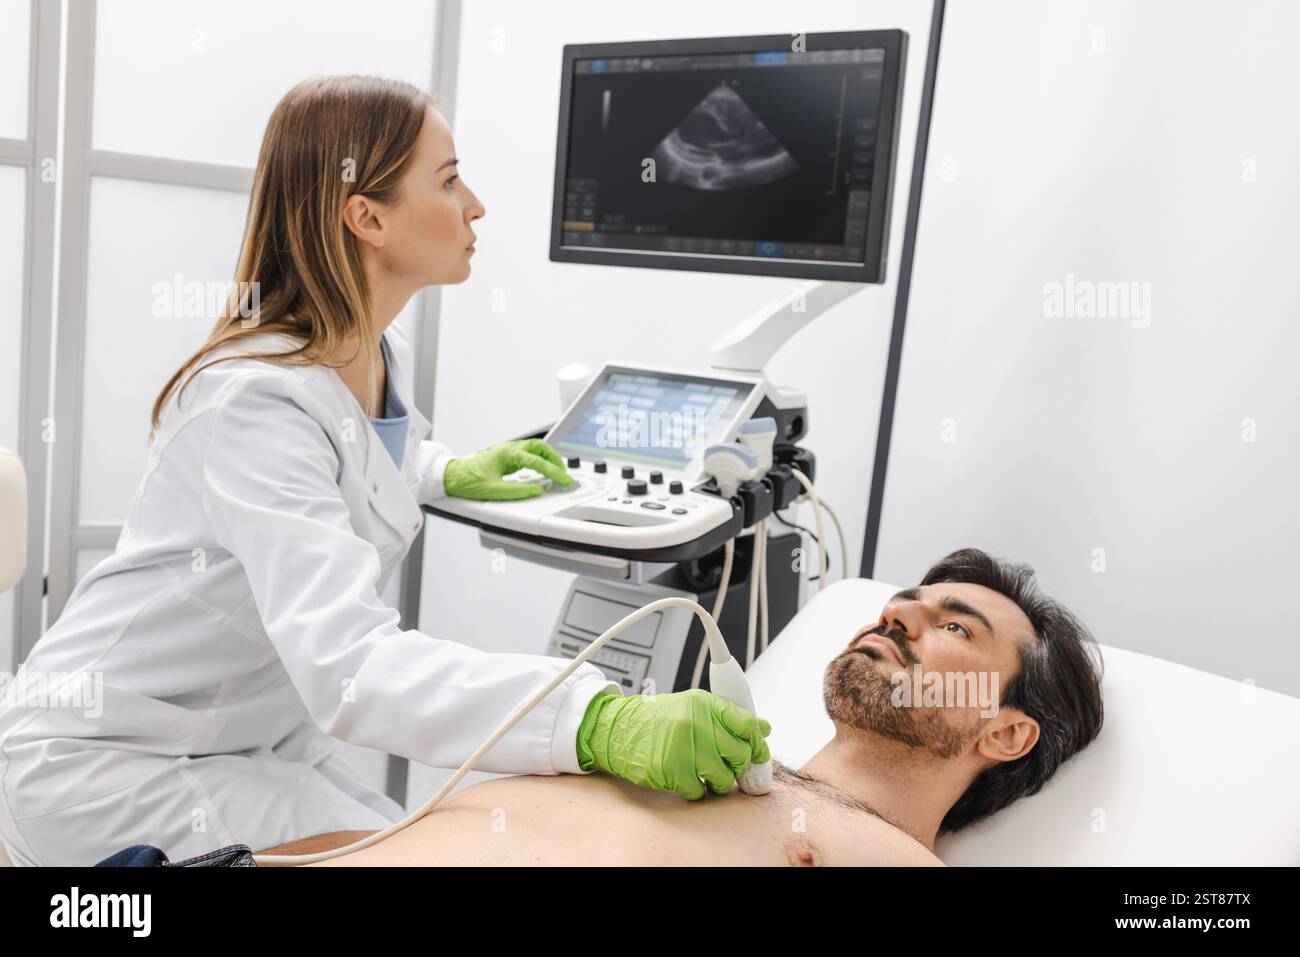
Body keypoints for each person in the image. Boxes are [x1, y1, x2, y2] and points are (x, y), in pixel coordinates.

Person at [0, 75, 769, 867]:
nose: (475, 205)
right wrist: (593, 717)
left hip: (234, 736)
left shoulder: (364, 352)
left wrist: (445, 469)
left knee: (432, 834)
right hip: (107, 759)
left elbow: (353, 457)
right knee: (413, 853)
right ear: (365, 215)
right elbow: (353, 664)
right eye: (448, 180)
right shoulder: (251, 399)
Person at [304, 548, 1104, 866]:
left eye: (954, 624)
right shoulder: (683, 760)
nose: (896, 615)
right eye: (901, 603)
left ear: (1005, 729)